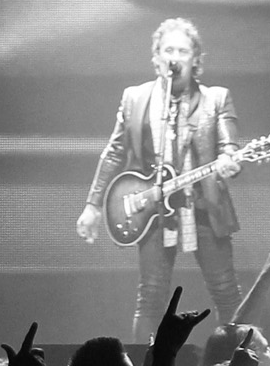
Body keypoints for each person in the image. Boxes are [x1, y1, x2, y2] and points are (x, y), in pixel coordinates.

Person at [76, 20, 254, 341]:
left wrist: (230, 161)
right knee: (151, 297)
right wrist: (92, 206)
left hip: (203, 207)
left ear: (195, 59)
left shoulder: (216, 98)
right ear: (157, 57)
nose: (175, 57)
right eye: (168, 50)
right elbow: (114, 152)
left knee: (226, 292)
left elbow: (229, 147)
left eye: (183, 51)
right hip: (153, 210)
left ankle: (239, 365)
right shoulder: (135, 98)